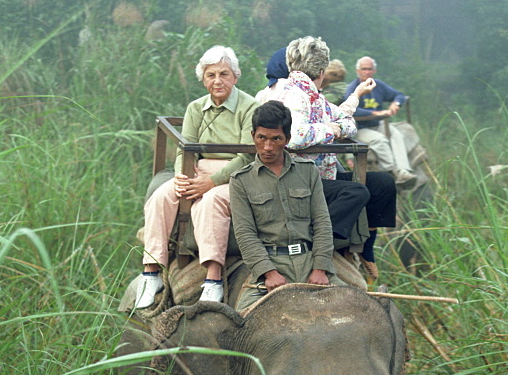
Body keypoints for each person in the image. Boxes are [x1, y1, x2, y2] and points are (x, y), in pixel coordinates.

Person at [135, 45, 259, 309]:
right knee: (162, 196)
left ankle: (213, 279)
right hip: (199, 167)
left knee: (210, 202)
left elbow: (248, 155)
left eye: (224, 74)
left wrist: (212, 182)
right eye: (211, 75)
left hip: (235, 173)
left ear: (235, 76)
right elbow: (185, 147)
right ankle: (151, 272)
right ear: (203, 79)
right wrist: (183, 174)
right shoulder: (195, 108)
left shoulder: (250, 107)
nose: (217, 81)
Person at [279, 37, 397, 281]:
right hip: (300, 177)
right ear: (322, 71)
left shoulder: (314, 97)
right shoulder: (294, 96)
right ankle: (319, 247)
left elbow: (345, 120)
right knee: (356, 192)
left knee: (382, 184)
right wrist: (330, 129)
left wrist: (349, 104)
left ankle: (366, 247)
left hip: (323, 174)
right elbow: (296, 137)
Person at [230, 101, 334, 311]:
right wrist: (269, 273)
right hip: (271, 263)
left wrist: (320, 269)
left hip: (309, 260)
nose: (268, 147)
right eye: (262, 138)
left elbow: (322, 222)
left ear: (287, 139)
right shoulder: (240, 180)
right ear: (253, 136)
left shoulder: (308, 172)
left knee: (354, 311)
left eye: (276, 139)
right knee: (241, 323)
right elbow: (245, 233)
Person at [343, 56, 418, 189]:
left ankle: (404, 171)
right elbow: (351, 109)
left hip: (378, 124)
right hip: (360, 128)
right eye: (364, 69)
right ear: (358, 71)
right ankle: (391, 171)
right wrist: (375, 113)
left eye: (370, 69)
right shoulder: (352, 88)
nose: (367, 72)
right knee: (381, 140)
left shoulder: (378, 85)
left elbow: (399, 95)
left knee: (396, 135)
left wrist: (396, 104)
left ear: (374, 70)